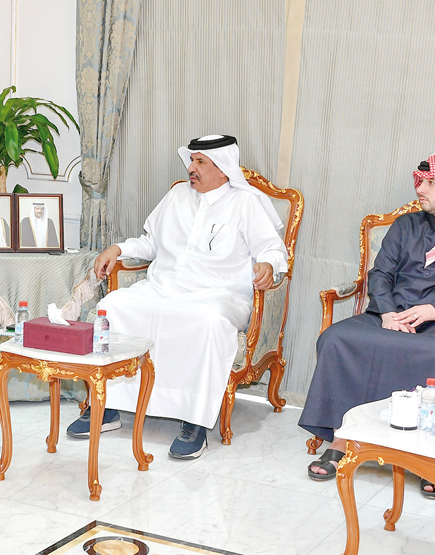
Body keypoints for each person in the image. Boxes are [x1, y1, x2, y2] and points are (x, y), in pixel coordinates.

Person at [299, 150, 435, 499]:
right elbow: (380, 274)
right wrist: (387, 313)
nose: (420, 189)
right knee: (336, 338)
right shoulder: (406, 225)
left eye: (431, 182)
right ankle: (343, 437)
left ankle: (433, 456)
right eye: (420, 181)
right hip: (392, 313)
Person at [66, 135, 288, 459]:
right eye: (192, 160)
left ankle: (194, 420)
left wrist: (268, 264)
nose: (192, 168)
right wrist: (118, 249)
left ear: (223, 170)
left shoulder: (246, 203)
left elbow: (272, 248)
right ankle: (107, 406)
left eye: (201, 162)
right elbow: (149, 243)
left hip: (218, 295)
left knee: (207, 322)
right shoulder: (177, 196)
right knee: (112, 306)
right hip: (164, 288)